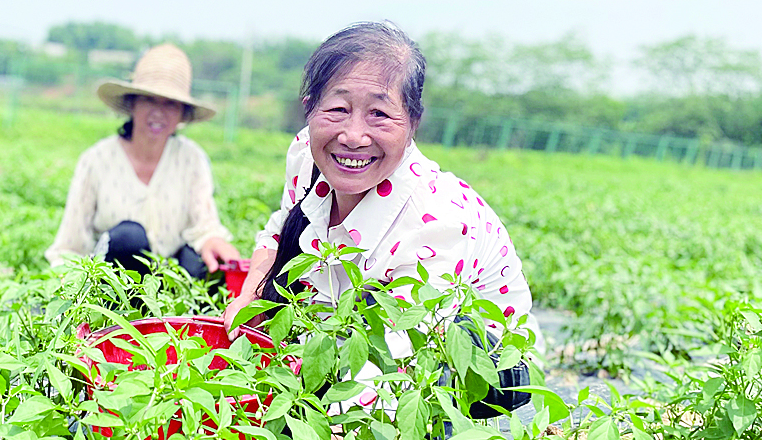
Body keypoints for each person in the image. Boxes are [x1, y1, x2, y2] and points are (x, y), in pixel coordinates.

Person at [223, 22, 532, 340]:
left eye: (379, 113)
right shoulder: (307, 153)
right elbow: (282, 228)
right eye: (338, 109)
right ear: (309, 110)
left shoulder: (438, 217)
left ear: (413, 123)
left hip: (478, 355)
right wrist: (251, 296)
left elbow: (401, 348)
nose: (353, 136)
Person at [45, 43, 241, 277]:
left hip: (166, 281)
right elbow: (69, 246)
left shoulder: (192, 159)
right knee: (130, 238)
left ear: (182, 112)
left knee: (196, 260)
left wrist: (213, 241)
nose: (158, 111)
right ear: (133, 103)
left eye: (170, 103)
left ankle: (173, 302)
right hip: (111, 281)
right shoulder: (96, 160)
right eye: (149, 100)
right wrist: (66, 282)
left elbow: (204, 225)